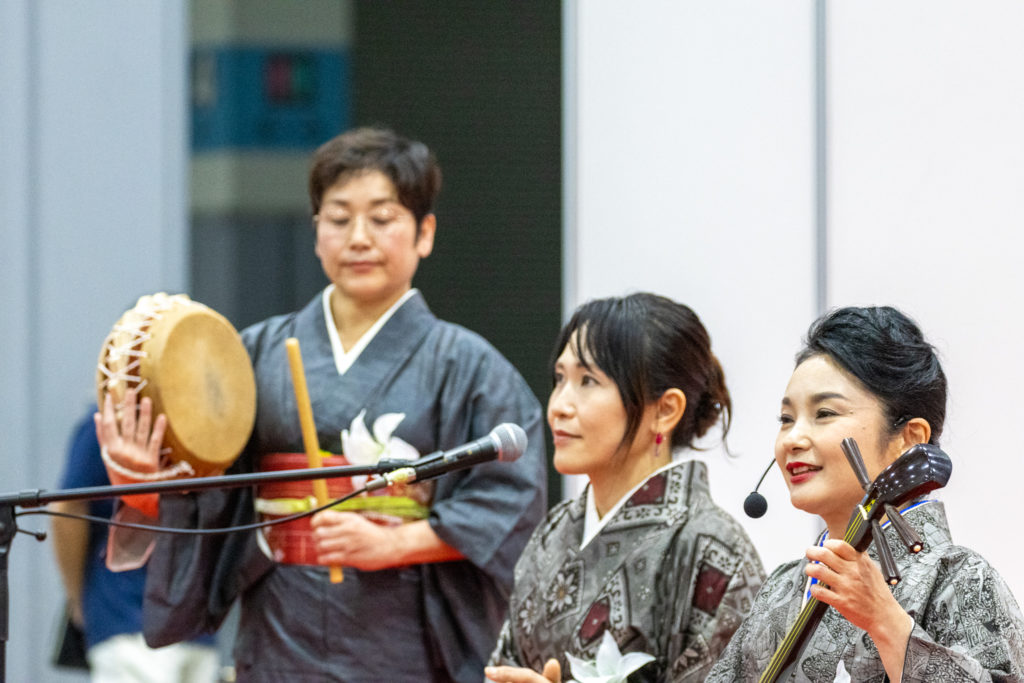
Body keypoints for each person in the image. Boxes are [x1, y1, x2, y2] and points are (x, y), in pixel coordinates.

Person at [95, 127, 548, 682]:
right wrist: (146, 488)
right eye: (338, 219)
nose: (359, 238)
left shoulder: (470, 367)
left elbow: (511, 502)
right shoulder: (253, 353)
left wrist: (396, 542)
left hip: (403, 639)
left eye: (382, 219)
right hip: (282, 627)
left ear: (424, 233)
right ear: (315, 233)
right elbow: (213, 498)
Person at [706, 306, 1024, 682]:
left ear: (909, 439)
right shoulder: (780, 588)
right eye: (786, 420)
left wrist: (886, 622)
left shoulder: (961, 578)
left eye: (824, 413)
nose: (792, 439)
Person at [485, 293, 765, 683]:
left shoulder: (713, 549)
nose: (559, 406)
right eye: (560, 379)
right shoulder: (555, 530)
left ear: (665, 410)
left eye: (588, 381)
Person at [51, 405, 220, 682]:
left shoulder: (206, 420)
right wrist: (78, 601)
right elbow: (68, 511)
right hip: (129, 618)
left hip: (195, 626)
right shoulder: (112, 419)